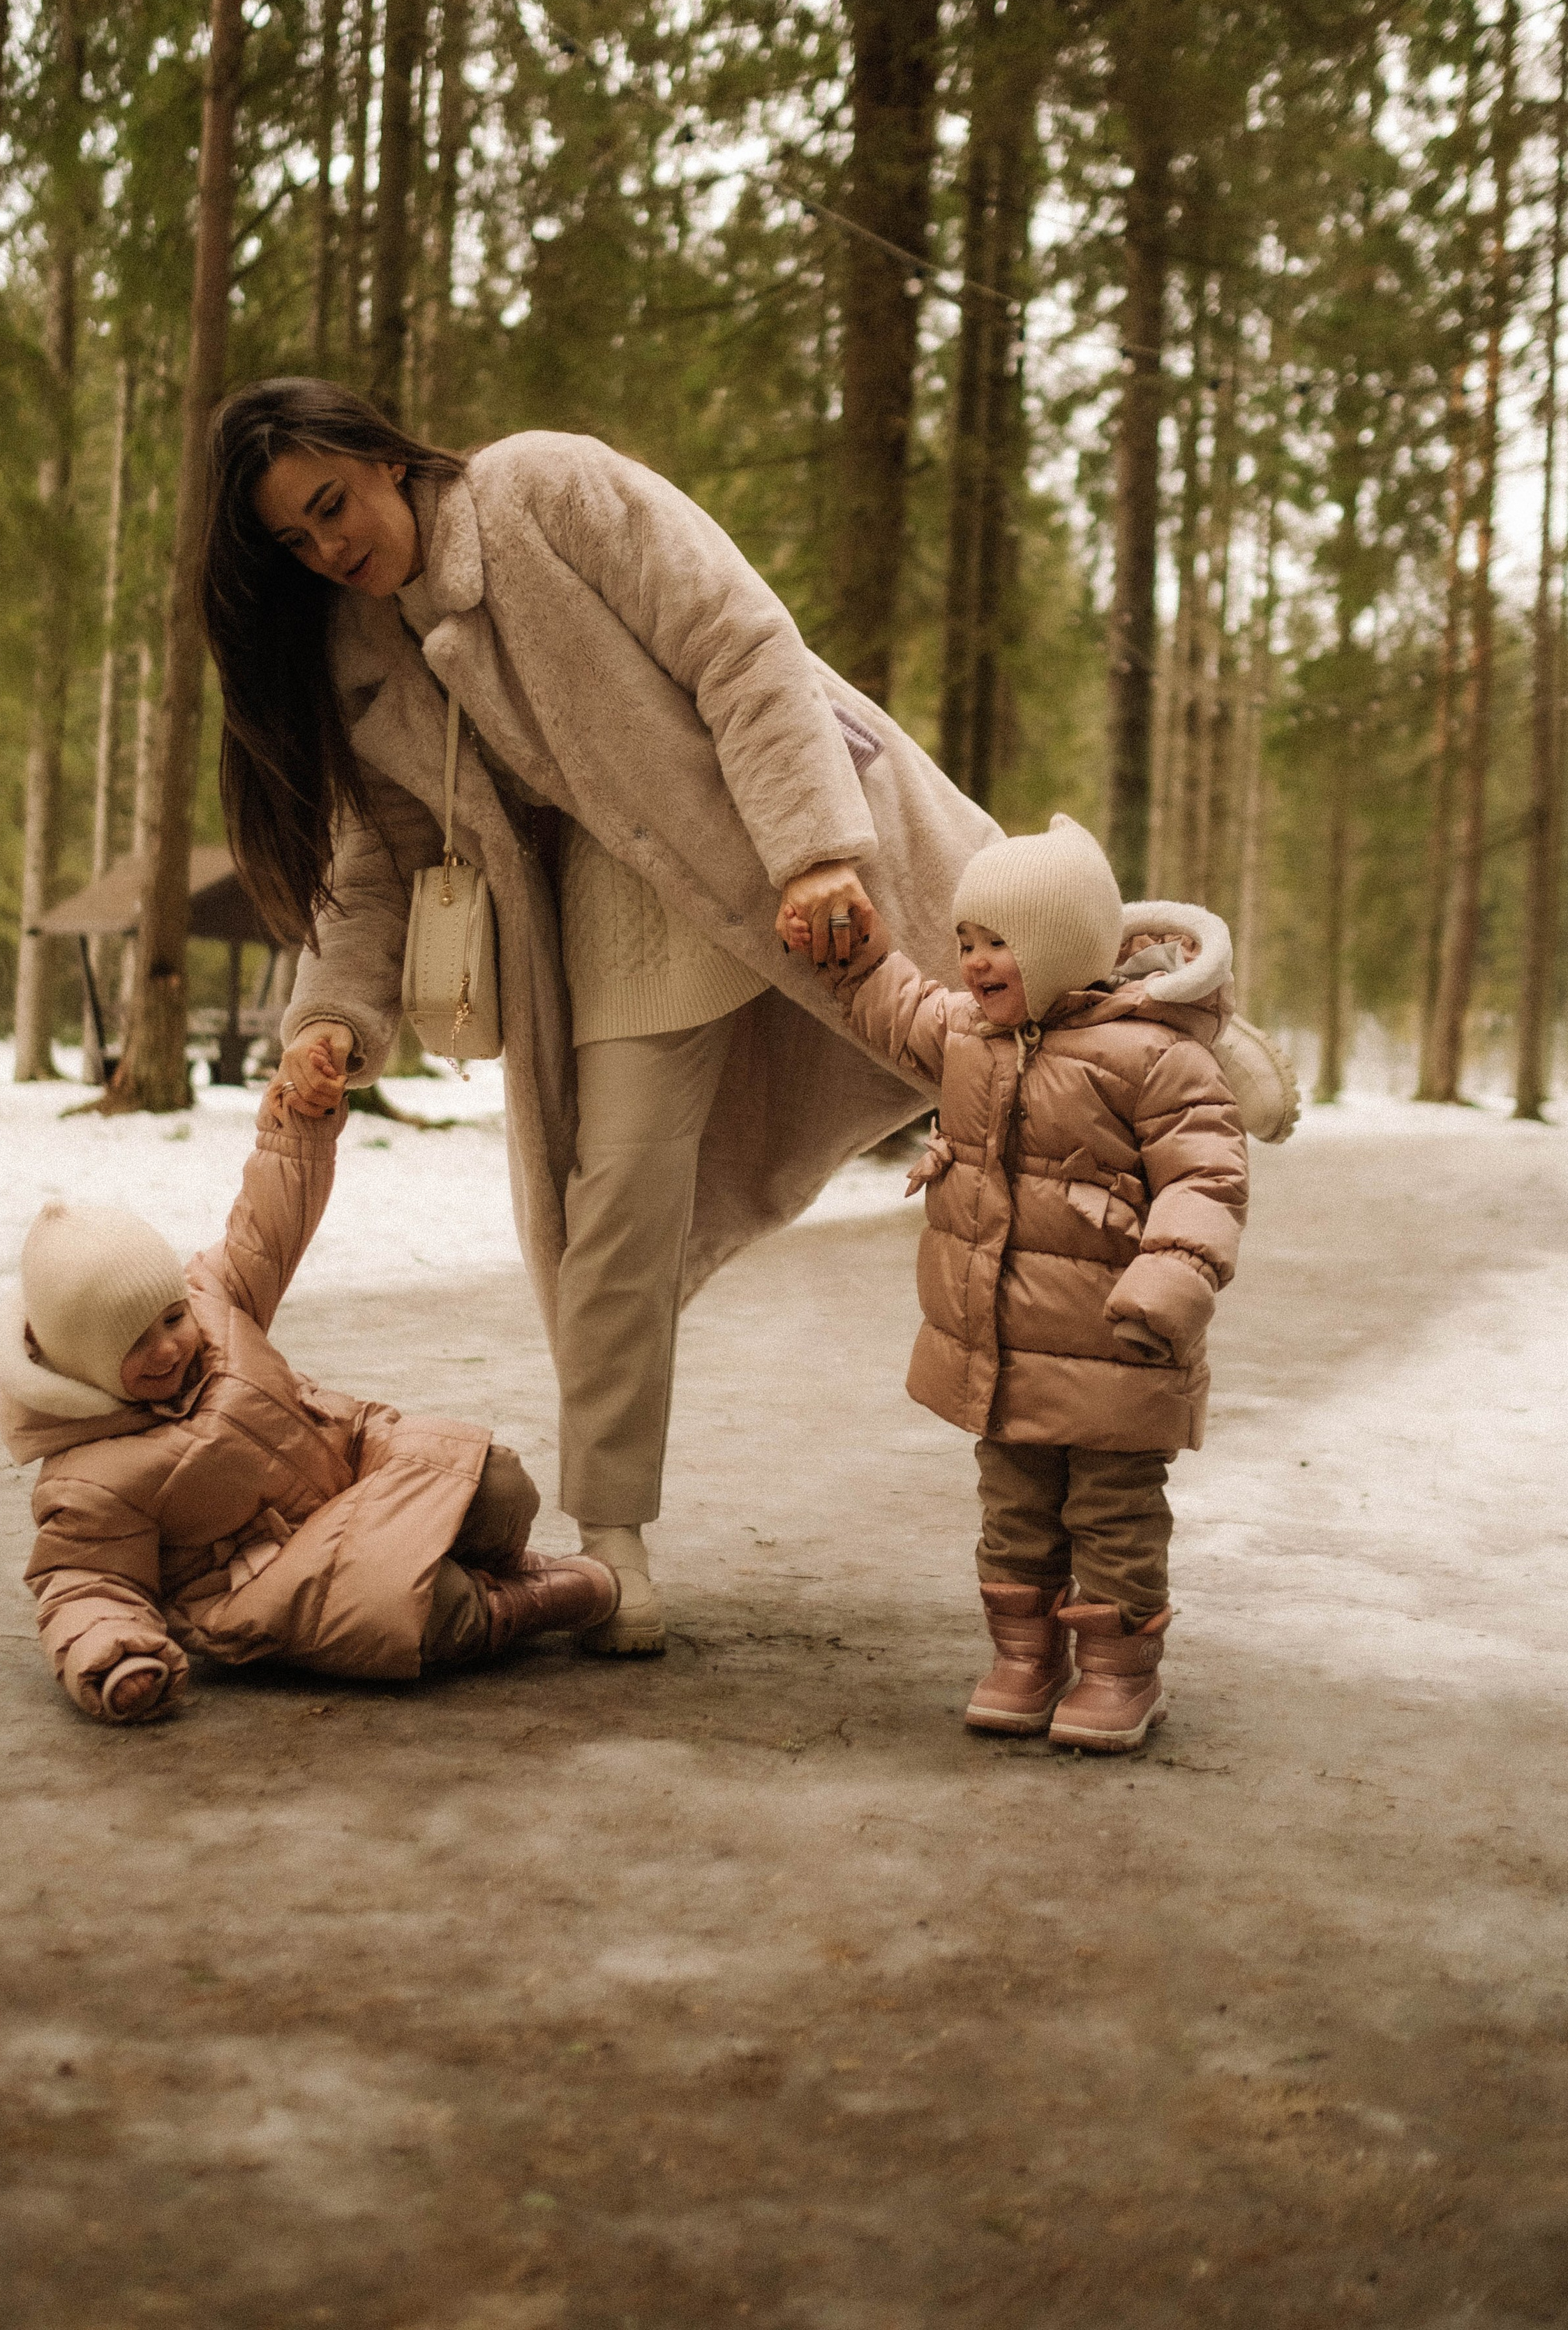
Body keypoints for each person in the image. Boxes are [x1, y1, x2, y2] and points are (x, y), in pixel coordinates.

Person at [202, 380, 999, 1654]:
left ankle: (1190, 1036)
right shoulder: (360, 660)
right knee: (615, 1198)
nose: (330, 546)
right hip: (621, 911)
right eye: (296, 542)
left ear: (380, 456)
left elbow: (741, 641)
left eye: (329, 503)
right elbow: (374, 867)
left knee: (1010, 1001)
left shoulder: (544, 492)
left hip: (779, 829)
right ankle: (614, 1538)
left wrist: (811, 853)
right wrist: (331, 1018)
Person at [805, 813, 1248, 1755]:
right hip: (1000, 1346)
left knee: (1114, 1514)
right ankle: (1024, 1655)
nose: (972, 962)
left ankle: (1122, 1672)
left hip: (1119, 1344)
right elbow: (893, 1004)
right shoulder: (968, 1038)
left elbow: (1206, 1178)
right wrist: (854, 954)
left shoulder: (1154, 1055)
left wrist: (1173, 1278)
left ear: (1058, 948)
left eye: (997, 942)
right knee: (1013, 1509)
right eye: (965, 942)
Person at [0, 1081, 619, 1726]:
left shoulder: (215, 1304)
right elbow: (85, 1583)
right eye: (134, 1345)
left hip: (353, 1469)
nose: (168, 1349)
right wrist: (114, 1657)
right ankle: (501, 1608)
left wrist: (298, 1124)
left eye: (171, 1318)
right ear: (88, 1365)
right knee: (415, 1611)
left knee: (498, 1483)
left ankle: (491, 1561)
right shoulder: (89, 1478)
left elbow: (267, 1228)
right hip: (275, 1579)